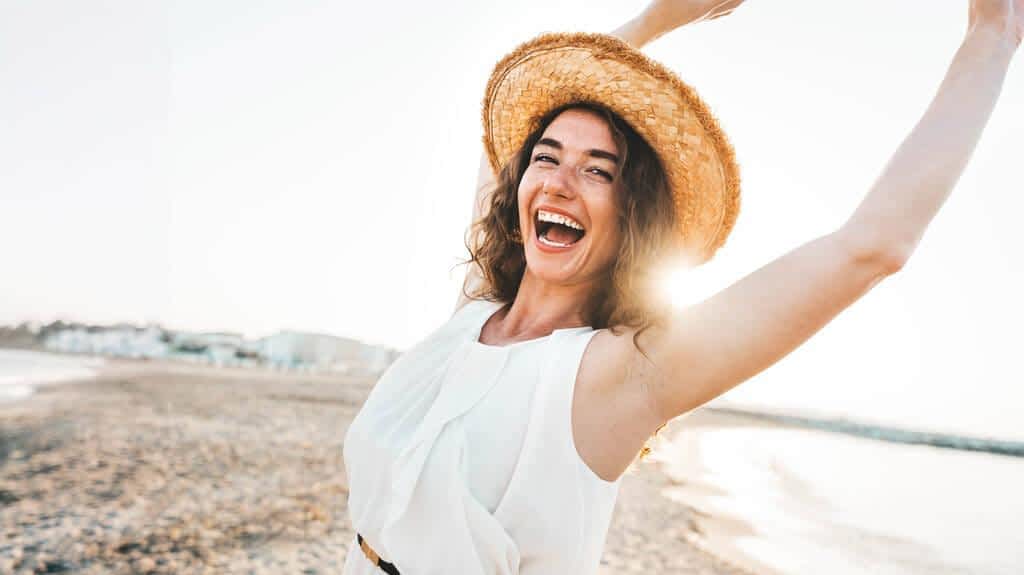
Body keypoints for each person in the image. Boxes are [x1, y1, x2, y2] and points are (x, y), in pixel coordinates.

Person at [342, 0, 1022, 573]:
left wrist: (991, 39)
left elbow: (867, 247)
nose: (557, 180)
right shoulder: (473, 312)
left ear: (631, 218)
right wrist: (655, 19)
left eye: (597, 171)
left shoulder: (619, 374)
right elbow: (500, 153)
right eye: (545, 158)